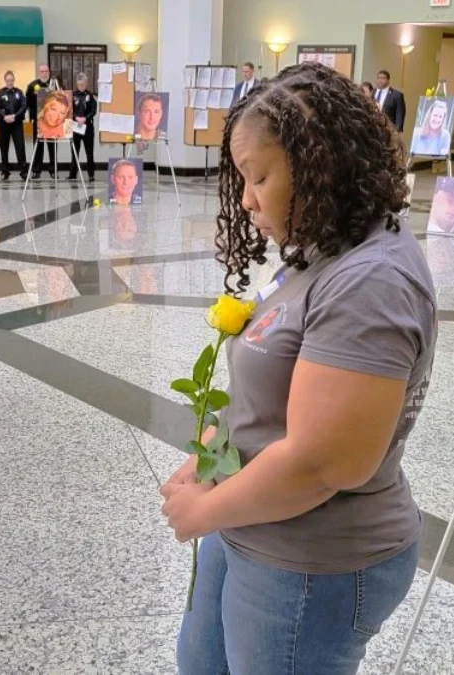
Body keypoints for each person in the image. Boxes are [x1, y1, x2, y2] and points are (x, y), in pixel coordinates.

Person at [164, 62, 434, 675]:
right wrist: (208, 456)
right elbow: (271, 391)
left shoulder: (372, 281)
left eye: (258, 177)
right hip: (249, 519)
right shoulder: (322, 248)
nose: (247, 200)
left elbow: (322, 461)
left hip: (312, 562)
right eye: (241, 178)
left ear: (320, 168)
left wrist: (203, 511)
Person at [0, 70, 27, 181]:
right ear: (5, 80)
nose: (9, 82)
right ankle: (5, 171)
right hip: (3, 124)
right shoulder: (0, 93)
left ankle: (23, 171)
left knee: (20, 147)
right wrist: (4, 116)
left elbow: (24, 106)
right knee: (4, 148)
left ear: (14, 80)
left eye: (11, 80)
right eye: (8, 80)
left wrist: (15, 116)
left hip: (16, 124)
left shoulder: (19, 92)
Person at [26, 64, 54, 178]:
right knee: (38, 146)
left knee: (52, 146)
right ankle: (37, 170)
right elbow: (28, 103)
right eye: (42, 71)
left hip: (52, 121)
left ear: (49, 72)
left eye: (46, 71)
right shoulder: (32, 85)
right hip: (38, 121)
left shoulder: (54, 85)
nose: (44, 74)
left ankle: (53, 170)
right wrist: (36, 97)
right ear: (39, 72)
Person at [69, 73, 96, 182]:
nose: (81, 86)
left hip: (87, 127)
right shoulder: (73, 95)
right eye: (79, 84)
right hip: (76, 126)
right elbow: (70, 110)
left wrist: (85, 118)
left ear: (86, 83)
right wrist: (76, 118)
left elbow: (94, 110)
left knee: (89, 152)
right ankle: (73, 174)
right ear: (77, 84)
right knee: (75, 151)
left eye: (83, 84)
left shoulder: (90, 95)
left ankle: (91, 174)